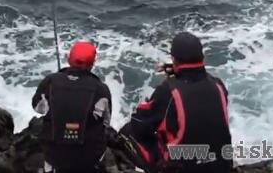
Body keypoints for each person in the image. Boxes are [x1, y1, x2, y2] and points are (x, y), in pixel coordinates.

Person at [124, 32, 232, 173]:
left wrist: (171, 81)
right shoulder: (218, 85)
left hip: (185, 167)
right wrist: (177, 75)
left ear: (174, 59)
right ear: (202, 57)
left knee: (129, 131)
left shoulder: (169, 91)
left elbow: (140, 124)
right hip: (222, 164)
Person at [32, 41, 112, 173]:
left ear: (69, 60)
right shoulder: (101, 89)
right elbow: (106, 122)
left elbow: (38, 108)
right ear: (92, 64)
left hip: (54, 156)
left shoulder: (50, 81)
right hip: (89, 158)